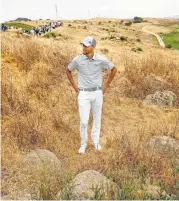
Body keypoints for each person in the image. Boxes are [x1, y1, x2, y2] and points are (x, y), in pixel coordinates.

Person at [66, 36, 117, 154]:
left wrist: (106, 85)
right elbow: (68, 70)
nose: (83, 47)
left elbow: (114, 69)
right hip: (83, 93)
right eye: (83, 45)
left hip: (97, 93)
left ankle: (96, 142)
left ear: (93, 47)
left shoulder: (101, 60)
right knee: (84, 121)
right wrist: (74, 86)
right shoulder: (77, 60)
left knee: (97, 119)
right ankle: (83, 144)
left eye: (86, 45)